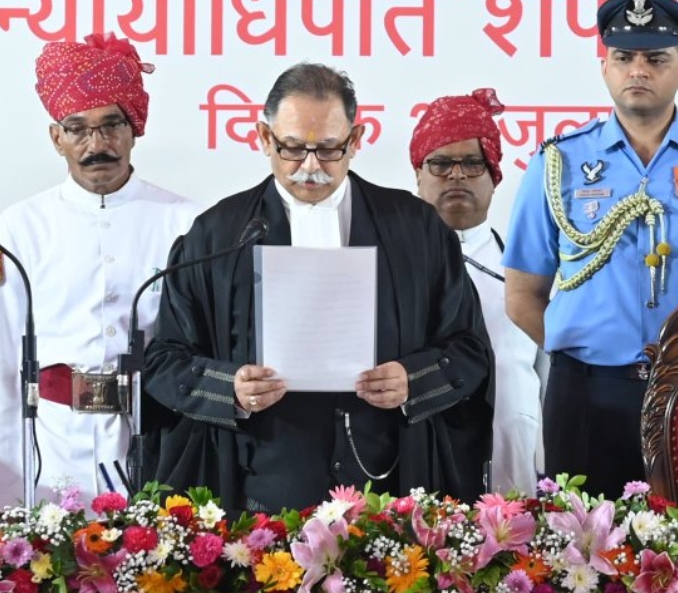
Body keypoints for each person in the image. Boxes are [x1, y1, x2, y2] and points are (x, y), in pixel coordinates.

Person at [143, 63, 493, 512]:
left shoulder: (414, 228)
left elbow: (470, 350)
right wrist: (230, 388)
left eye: (329, 149)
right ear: (264, 138)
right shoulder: (218, 234)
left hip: (387, 494)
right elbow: (164, 361)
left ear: (356, 139)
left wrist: (413, 381)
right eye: (292, 148)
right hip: (261, 497)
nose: (310, 166)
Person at [504, 0, 678, 499]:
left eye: (656, 59)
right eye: (624, 58)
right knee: (580, 538)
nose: (638, 71)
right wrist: (581, 355)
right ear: (604, 68)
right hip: (587, 393)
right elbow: (522, 295)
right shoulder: (558, 162)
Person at [0, 32, 198, 505]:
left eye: (112, 125)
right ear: (57, 138)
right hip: (51, 445)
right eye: (78, 129)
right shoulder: (19, 226)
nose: (97, 145)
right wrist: (10, 487)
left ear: (134, 130)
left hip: (157, 438)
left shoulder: (186, 222)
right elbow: (6, 360)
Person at [410, 88, 543, 497]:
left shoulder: (530, 273)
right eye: (440, 164)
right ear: (418, 174)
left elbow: (552, 380)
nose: (457, 175)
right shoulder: (393, 270)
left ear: (494, 176)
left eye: (472, 163)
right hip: (421, 460)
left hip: (514, 461)